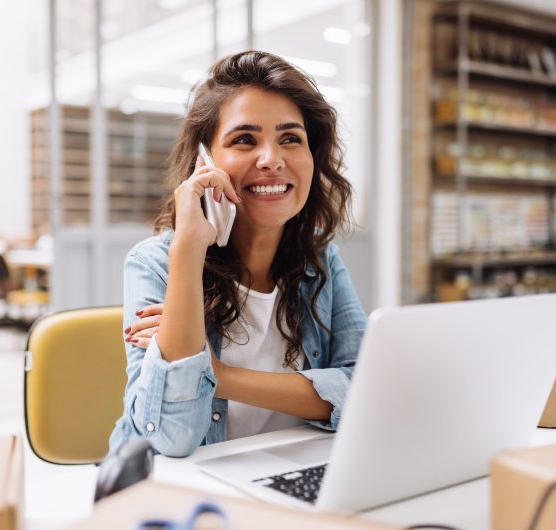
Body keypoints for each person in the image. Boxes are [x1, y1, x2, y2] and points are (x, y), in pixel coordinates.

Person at [108, 50, 367, 457]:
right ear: (204, 161)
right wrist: (188, 249)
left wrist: (219, 375)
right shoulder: (156, 263)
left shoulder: (320, 260)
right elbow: (171, 439)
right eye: (245, 140)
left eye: (290, 139)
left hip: (287, 476)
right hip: (186, 494)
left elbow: (366, 392)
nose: (271, 160)